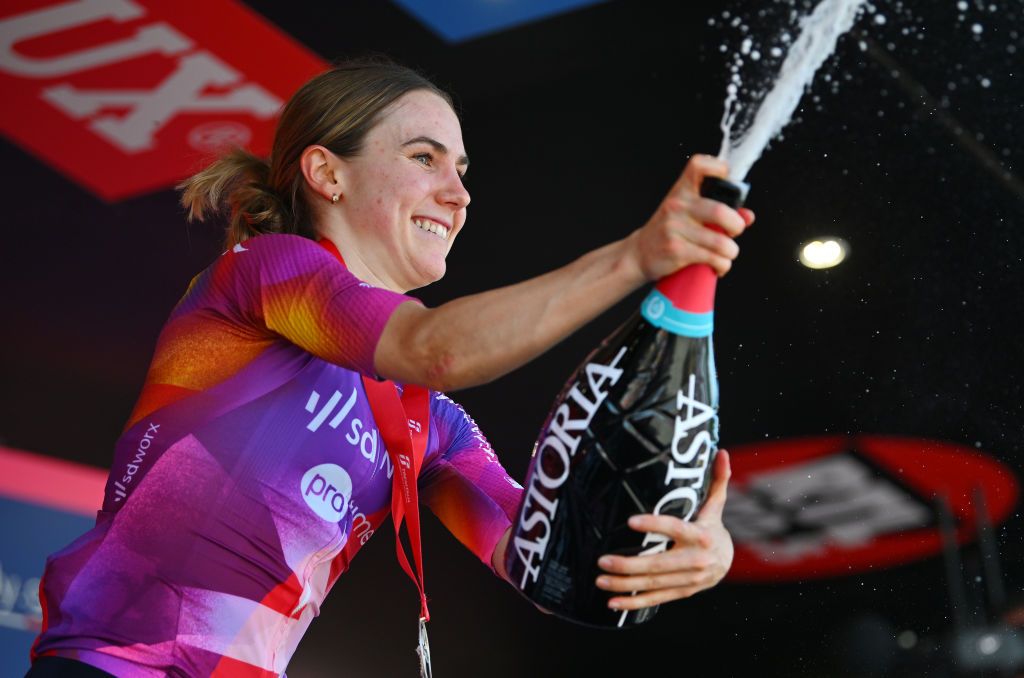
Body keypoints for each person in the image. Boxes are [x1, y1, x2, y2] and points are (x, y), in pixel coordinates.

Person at [27, 58, 754, 677]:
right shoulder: (263, 274)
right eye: (423, 157)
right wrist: (634, 257)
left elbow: (543, 564)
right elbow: (436, 347)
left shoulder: (430, 421)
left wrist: (689, 555)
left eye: (462, 170)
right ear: (326, 174)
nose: (460, 193)